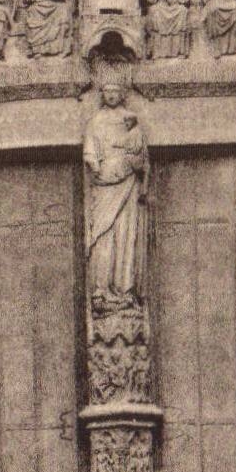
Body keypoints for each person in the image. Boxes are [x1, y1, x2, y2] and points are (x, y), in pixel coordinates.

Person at [84, 81, 148, 306]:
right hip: (104, 182)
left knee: (126, 233)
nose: (111, 95)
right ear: (101, 93)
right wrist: (94, 164)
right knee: (103, 235)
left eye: (115, 91)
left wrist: (134, 162)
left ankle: (124, 289)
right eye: (107, 91)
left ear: (122, 93)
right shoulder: (95, 121)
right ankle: (101, 289)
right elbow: (89, 151)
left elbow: (141, 154)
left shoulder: (131, 122)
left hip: (127, 179)